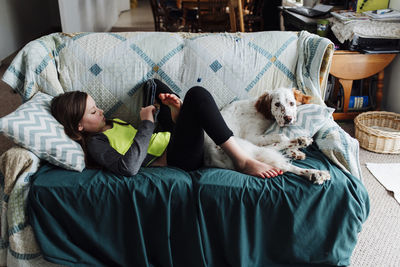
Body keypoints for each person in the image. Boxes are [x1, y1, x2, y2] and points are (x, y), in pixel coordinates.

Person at [50, 79, 282, 178]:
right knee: (197, 95)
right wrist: (147, 123)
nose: (100, 111)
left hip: (172, 142)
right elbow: (129, 167)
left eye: (97, 106)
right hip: (176, 159)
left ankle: (180, 112)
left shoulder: (112, 123)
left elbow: (150, 140)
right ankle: (242, 161)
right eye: (92, 112)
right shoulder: (95, 143)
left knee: (155, 86)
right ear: (79, 126)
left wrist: (174, 116)